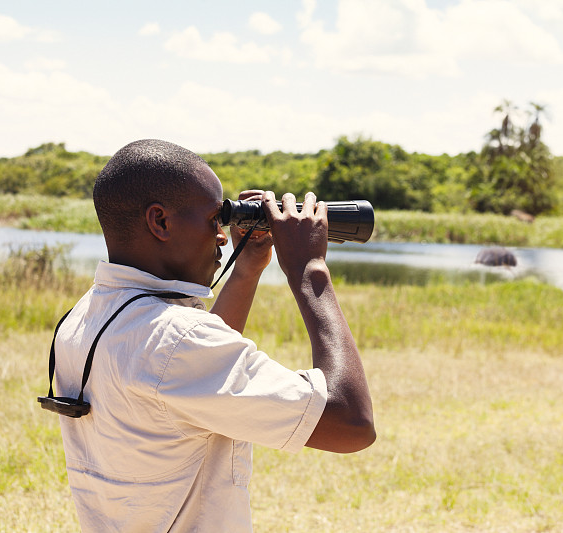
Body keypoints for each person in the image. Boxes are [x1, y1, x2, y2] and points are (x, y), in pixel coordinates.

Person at [52, 139, 375, 532]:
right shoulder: (174, 340)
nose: (223, 237)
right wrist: (309, 269)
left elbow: (187, 381)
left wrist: (247, 268)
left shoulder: (87, 314)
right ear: (161, 222)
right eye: (213, 220)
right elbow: (351, 423)